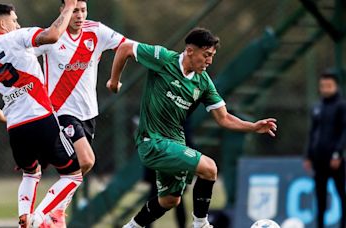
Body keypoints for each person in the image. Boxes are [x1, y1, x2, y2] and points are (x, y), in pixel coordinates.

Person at [106, 28, 277, 228]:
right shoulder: (163, 59)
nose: (209, 61)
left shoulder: (203, 82)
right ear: (189, 51)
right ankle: (201, 224)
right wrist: (114, 80)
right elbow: (125, 48)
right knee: (210, 168)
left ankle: (131, 227)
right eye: (206, 55)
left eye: (212, 56)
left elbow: (224, 118)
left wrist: (253, 127)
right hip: (152, 141)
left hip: (175, 142)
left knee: (170, 200)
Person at [0, 2, 82, 227]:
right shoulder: (16, 37)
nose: (18, 23)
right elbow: (52, 35)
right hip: (42, 119)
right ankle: (39, 217)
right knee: (74, 175)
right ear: (3, 23)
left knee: (31, 173)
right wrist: (69, 7)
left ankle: (25, 217)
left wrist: (12, 117)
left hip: (15, 129)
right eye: (14, 20)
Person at [35, 0, 127, 176]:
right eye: (75, 11)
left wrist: (115, 80)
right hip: (61, 112)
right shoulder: (51, 36)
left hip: (88, 113)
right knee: (86, 160)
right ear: (63, 10)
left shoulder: (97, 31)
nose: (79, 16)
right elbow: (22, 54)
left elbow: (127, 47)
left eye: (83, 11)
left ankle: (58, 198)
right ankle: (54, 198)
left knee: (77, 170)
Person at [304, 71, 346, 228]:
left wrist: (338, 153)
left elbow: (344, 131)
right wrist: (308, 155)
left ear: (336, 86)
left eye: (329, 86)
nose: (326, 89)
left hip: (335, 160)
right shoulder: (317, 107)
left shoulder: (341, 106)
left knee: (341, 194)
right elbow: (312, 132)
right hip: (318, 159)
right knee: (320, 197)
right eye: (323, 86)